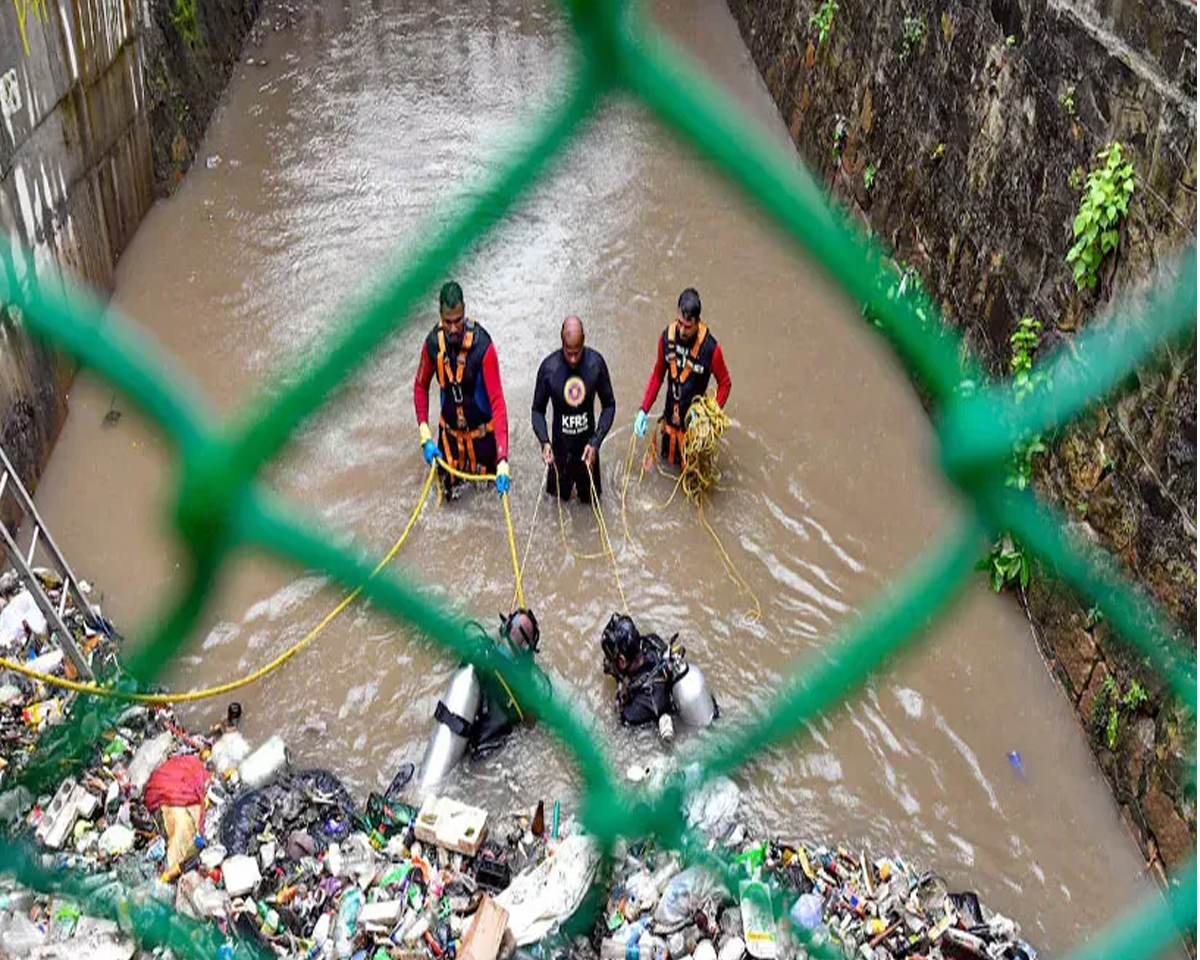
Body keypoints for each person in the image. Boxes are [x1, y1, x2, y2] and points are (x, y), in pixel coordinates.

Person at [418, 609, 543, 792]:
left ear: (504, 628)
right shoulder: (519, 684)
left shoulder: (477, 654)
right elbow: (533, 720)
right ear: (526, 648)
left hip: (456, 746)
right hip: (487, 761)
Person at [413, 281, 511, 499]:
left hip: (483, 440)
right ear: (440, 315)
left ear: (465, 311)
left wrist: (503, 458)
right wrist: (425, 434)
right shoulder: (432, 345)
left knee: (490, 508)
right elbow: (420, 386)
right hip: (449, 442)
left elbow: (497, 402)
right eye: (448, 322)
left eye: (458, 320)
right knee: (446, 502)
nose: (454, 328)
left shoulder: (484, 346)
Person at [633, 287, 731, 467]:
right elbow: (657, 375)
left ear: (698, 322)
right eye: (679, 323)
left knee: (692, 479)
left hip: (693, 431)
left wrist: (707, 416)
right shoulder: (666, 338)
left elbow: (725, 384)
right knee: (663, 468)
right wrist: (643, 410)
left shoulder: (711, 349)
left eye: (688, 326)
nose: (682, 331)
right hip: (670, 422)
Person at [531, 316, 616, 503]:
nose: (573, 359)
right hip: (559, 453)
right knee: (554, 507)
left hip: (588, 453)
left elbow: (609, 405)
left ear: (584, 339)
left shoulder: (596, 365)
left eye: (577, 352)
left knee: (591, 508)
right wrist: (544, 442)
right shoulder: (549, 369)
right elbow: (537, 410)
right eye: (568, 352)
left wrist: (596, 442)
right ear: (561, 342)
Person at [600, 613, 718, 733]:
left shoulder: (637, 708)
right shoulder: (652, 641)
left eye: (610, 657)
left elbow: (621, 723)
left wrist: (618, 697)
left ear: (622, 662)